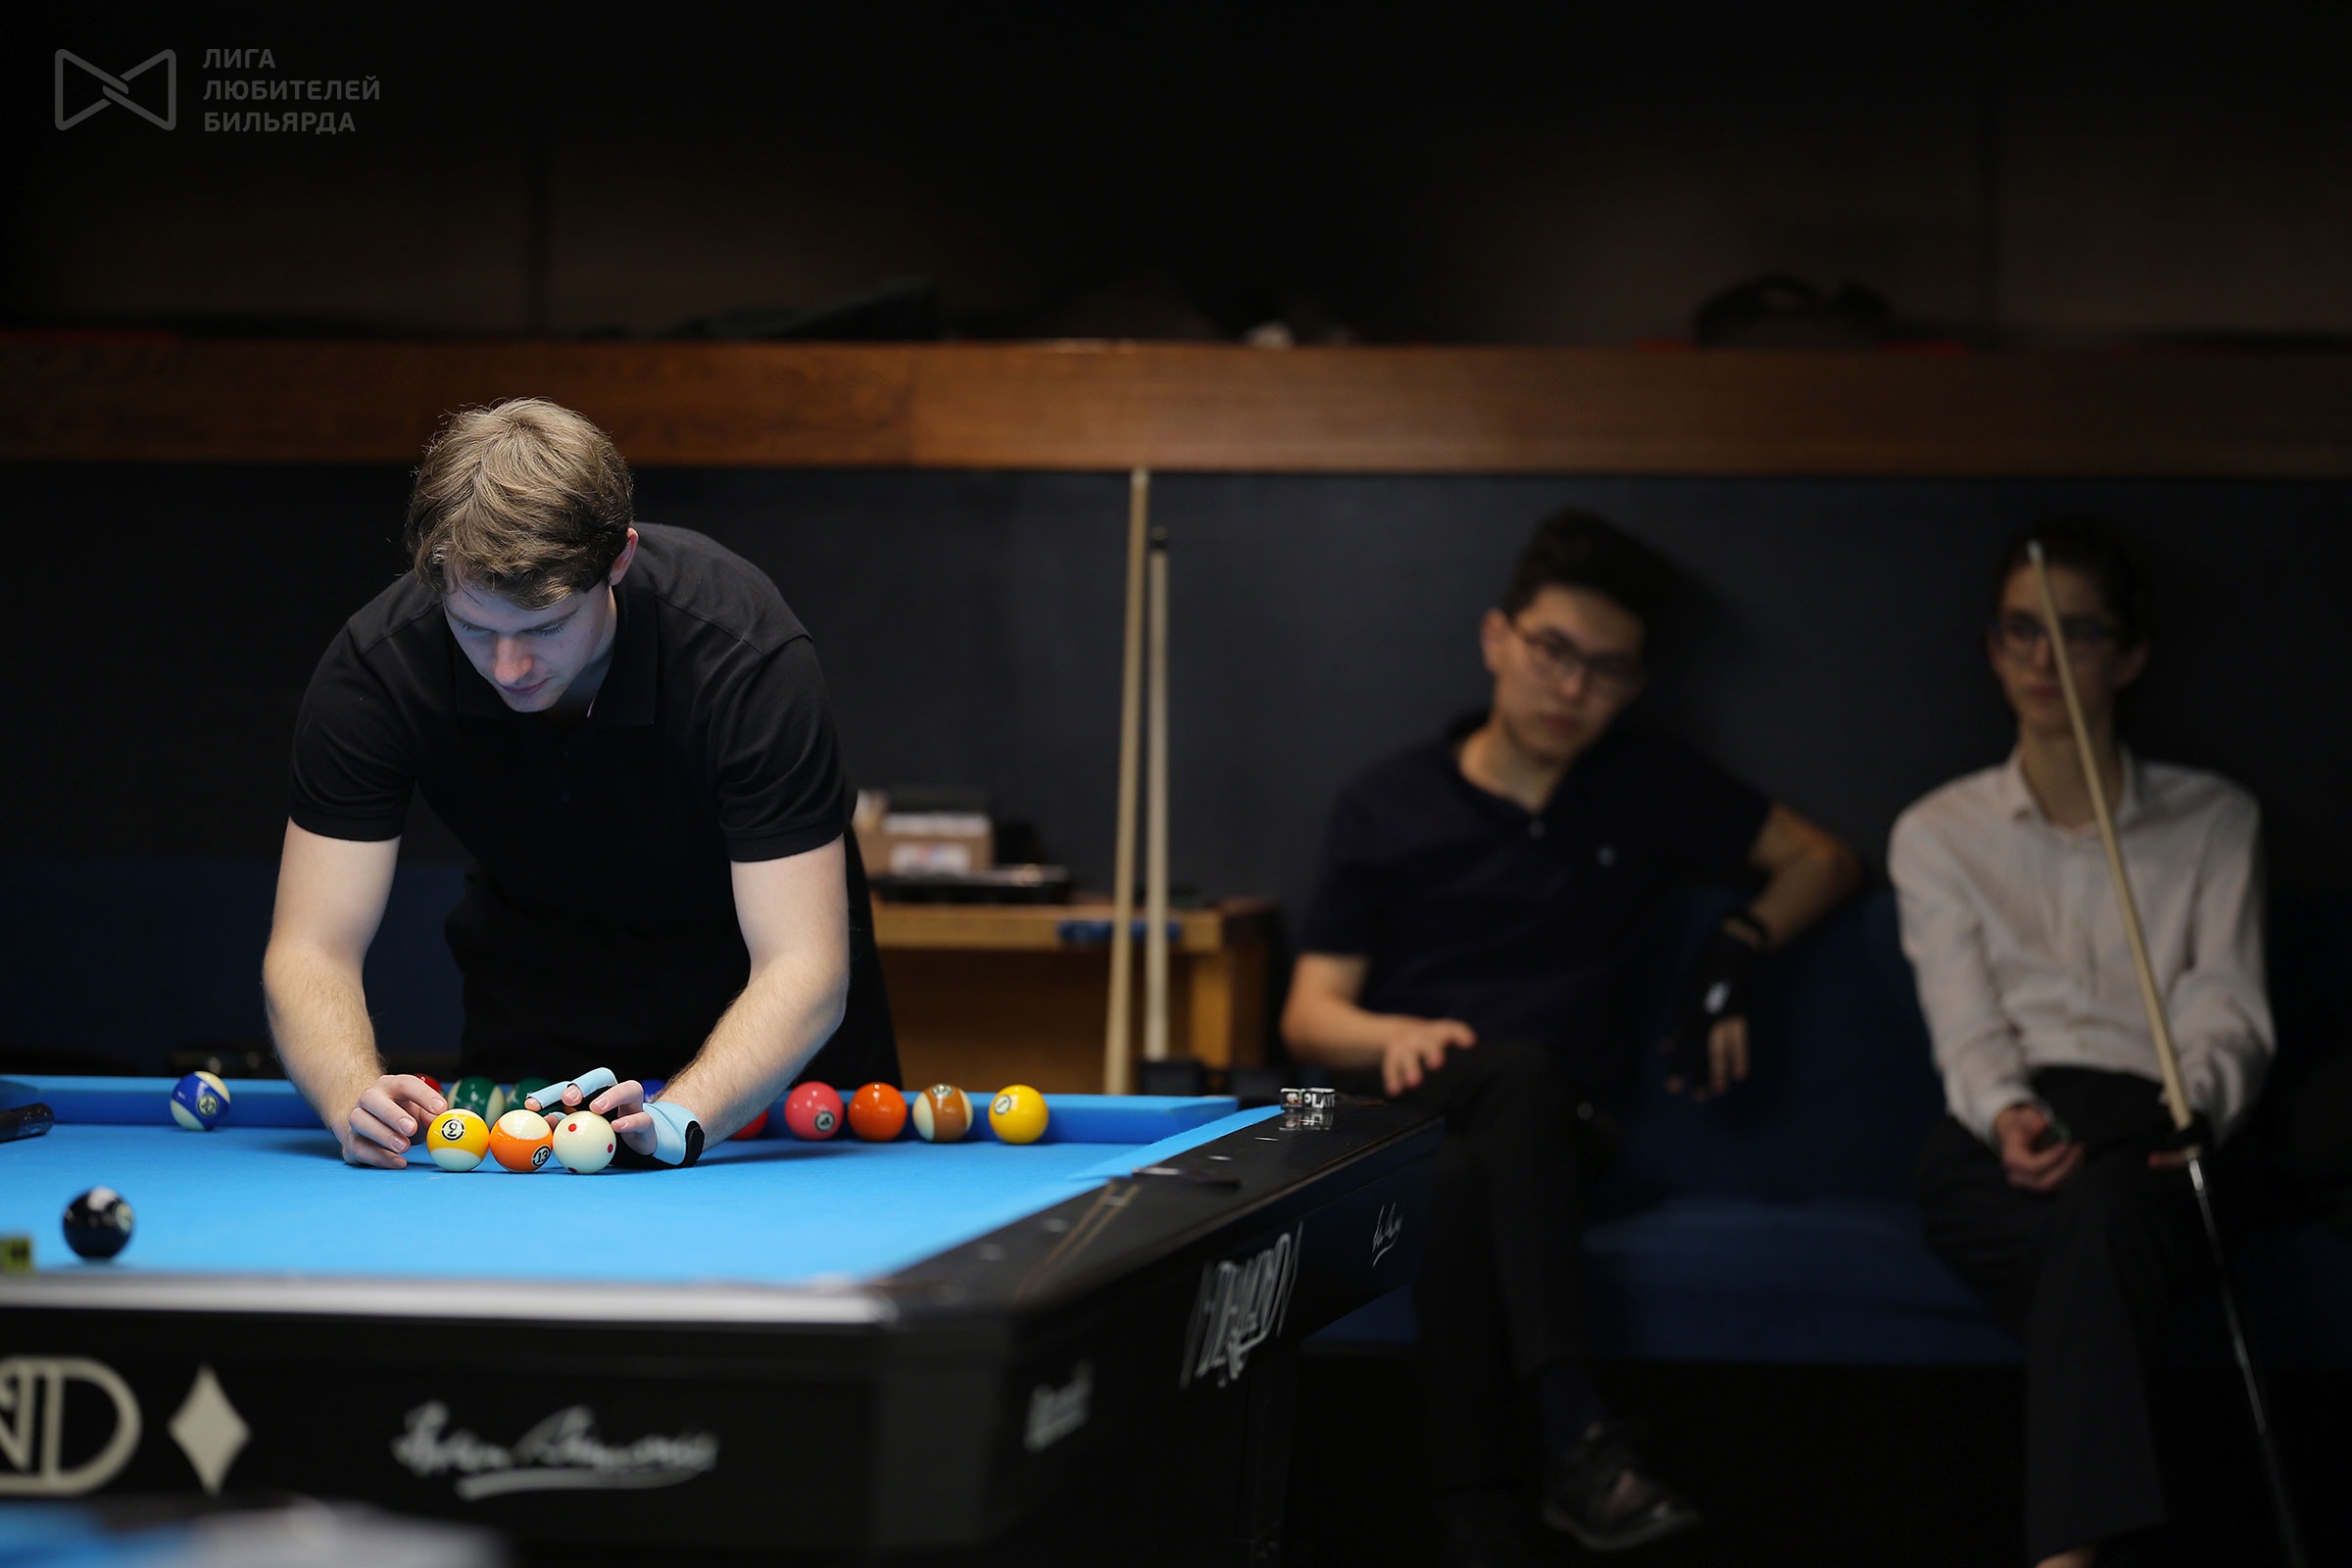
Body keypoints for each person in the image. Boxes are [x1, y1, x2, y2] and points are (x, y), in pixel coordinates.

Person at [1281, 512, 1860, 1564]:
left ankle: (1476, 1518)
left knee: (1486, 1142)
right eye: (1553, 651)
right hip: (1400, 1111)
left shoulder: (1647, 784)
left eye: (1606, 668)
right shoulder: (1388, 801)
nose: (1572, 686)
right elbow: (1309, 1012)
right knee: (1482, 1111)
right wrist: (1393, 1032)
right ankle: (1574, 1436)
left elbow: (1823, 860)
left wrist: (1737, 943)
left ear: (1635, 684)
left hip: (1561, 1137)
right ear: (1497, 638)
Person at [264, 398, 895, 1168]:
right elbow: (311, 948)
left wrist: (682, 1116)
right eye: (474, 628)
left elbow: (805, 965)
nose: (508, 668)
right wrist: (347, 1094)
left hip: (773, 1071)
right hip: (537, 1043)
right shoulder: (380, 665)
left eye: (545, 626)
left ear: (618, 561)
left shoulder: (743, 654)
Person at [1891, 522, 2271, 1568]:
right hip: (2004, 1136)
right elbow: (1964, 1018)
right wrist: (2006, 1112)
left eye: (2077, 633)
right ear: (1993, 647)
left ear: (2130, 655)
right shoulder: (1937, 832)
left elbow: (2228, 1008)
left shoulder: (2214, 820)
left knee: (2104, 1218)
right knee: (2094, 1241)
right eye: (2020, 630)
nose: (2042, 659)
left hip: (2152, 1124)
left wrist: (2196, 1108)